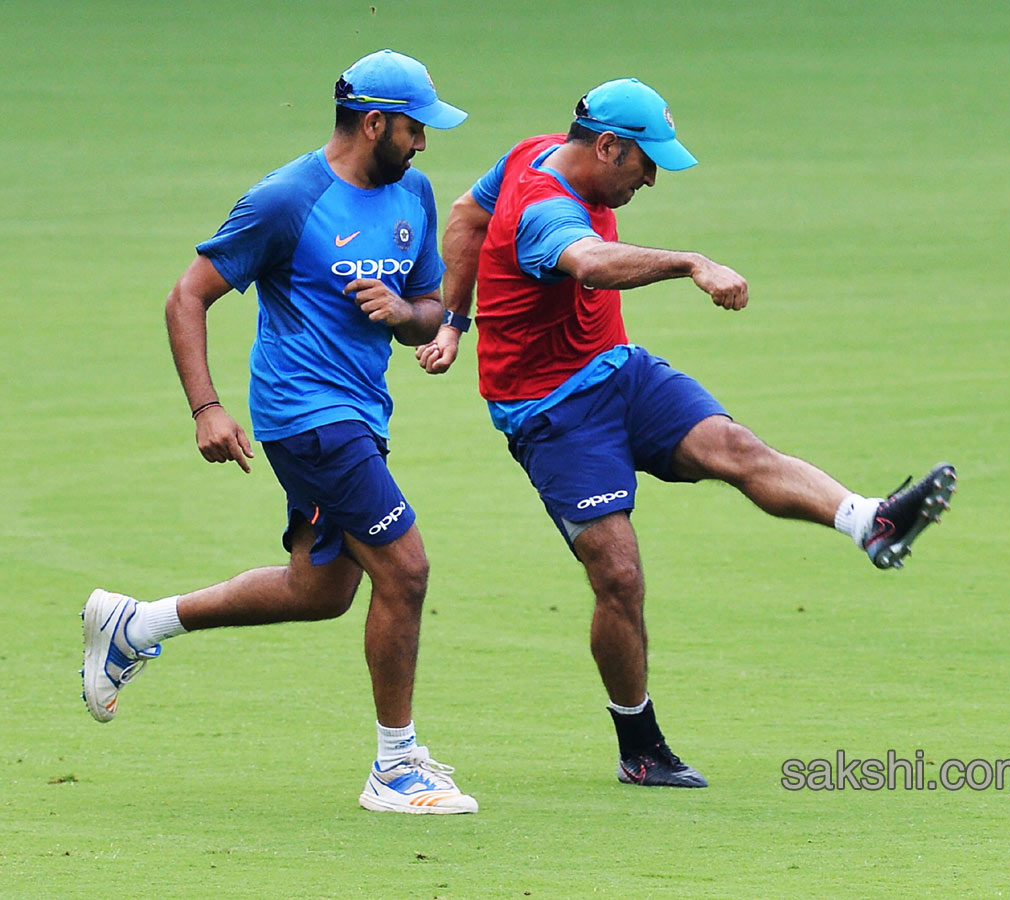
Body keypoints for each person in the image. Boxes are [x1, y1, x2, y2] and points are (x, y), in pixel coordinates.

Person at [415, 78, 957, 788]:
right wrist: (691, 262)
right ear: (607, 146)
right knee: (619, 576)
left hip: (618, 370)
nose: (651, 178)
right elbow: (592, 263)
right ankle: (639, 746)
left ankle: (871, 523)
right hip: (549, 411)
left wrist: (454, 322)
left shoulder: (532, 152)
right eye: (645, 162)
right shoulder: (545, 208)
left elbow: (464, 213)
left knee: (737, 448)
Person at [81, 50, 478, 814]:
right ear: (374, 123)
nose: (425, 143)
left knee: (321, 590)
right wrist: (207, 408)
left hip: (362, 414)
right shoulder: (288, 199)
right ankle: (395, 766)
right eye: (415, 128)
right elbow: (187, 296)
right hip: (308, 419)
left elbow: (429, 305)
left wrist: (406, 317)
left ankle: (135, 625)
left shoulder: (414, 194)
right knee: (407, 570)